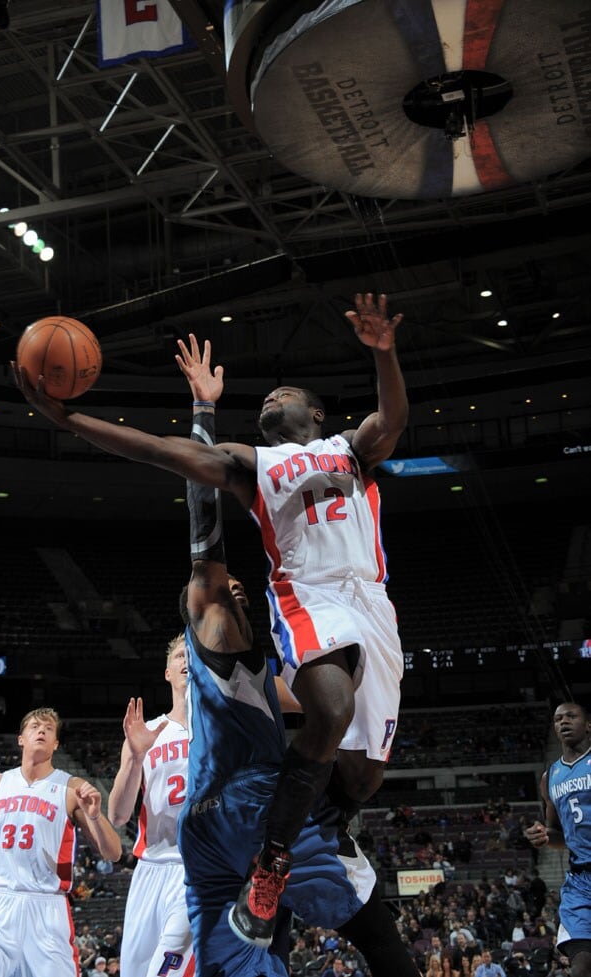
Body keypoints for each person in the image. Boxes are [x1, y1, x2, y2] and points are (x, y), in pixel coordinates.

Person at [12, 290, 408, 945]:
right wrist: (69, 420)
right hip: (309, 595)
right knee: (330, 709)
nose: (269, 399)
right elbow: (161, 451)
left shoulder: (351, 449)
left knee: (364, 775)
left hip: (373, 603)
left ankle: (312, 827)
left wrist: (384, 355)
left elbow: (392, 418)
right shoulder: (256, 464)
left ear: (316, 413)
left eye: (284, 393)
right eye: (264, 400)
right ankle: (272, 866)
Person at [169, 342, 420, 977]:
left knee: (249, 963)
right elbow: (205, 530)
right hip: (245, 808)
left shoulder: (278, 671)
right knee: (382, 942)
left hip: (219, 825)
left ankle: (303, 848)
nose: (236, 590)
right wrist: (202, 408)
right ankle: (297, 850)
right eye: (227, 591)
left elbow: (327, 720)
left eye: (237, 589)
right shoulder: (216, 638)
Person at [0, 707, 121, 977]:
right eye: (35, 726)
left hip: (47, 908)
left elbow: (114, 853)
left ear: (56, 743)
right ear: (21, 738)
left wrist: (94, 817)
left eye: (49, 729)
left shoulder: (72, 788)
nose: (42, 731)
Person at [107, 633, 193, 977]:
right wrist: (135, 758)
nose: (186, 661)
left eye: (193, 655)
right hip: (150, 868)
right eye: (179, 656)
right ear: (168, 672)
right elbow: (117, 815)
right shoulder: (148, 731)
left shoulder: (224, 730)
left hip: (198, 870)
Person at [525, 701, 591, 977]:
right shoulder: (550, 776)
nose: (563, 722)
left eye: (571, 716)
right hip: (580, 881)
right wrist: (543, 836)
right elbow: (558, 835)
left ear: (588, 724)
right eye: (557, 719)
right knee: (582, 965)